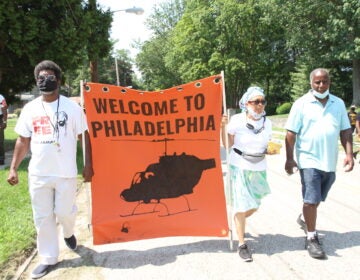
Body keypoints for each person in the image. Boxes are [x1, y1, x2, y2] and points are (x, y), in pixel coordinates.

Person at [7, 60, 94, 279]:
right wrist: (13, 168)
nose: (45, 80)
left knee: (65, 213)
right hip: (39, 174)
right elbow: (23, 140)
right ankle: (48, 258)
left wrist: (88, 165)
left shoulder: (72, 108)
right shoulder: (30, 109)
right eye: (41, 78)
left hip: (65, 173)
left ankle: (68, 232)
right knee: (43, 217)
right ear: (37, 82)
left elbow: (85, 136)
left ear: (59, 81)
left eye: (50, 77)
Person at [285, 68, 354, 260]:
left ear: (329, 82)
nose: (321, 85)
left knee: (316, 199)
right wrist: (290, 159)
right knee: (311, 199)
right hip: (308, 159)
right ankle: (312, 238)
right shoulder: (301, 104)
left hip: (329, 161)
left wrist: (349, 154)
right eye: (317, 82)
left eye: (324, 81)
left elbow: (346, 130)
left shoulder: (338, 103)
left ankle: (304, 217)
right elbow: (290, 134)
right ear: (311, 83)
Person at [222, 86, 274, 262]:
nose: (259, 105)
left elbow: (266, 144)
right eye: (255, 101)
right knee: (241, 204)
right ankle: (242, 244)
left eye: (262, 101)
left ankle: (240, 220)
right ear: (246, 103)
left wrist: (271, 150)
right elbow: (227, 144)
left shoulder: (268, 123)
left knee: (254, 204)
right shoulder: (237, 119)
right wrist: (223, 127)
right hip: (239, 165)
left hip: (259, 166)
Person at [0, 93, 8, 165]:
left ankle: (1, 159)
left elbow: (4, 109)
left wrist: (4, 121)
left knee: (0, 141)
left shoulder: (0, 97)